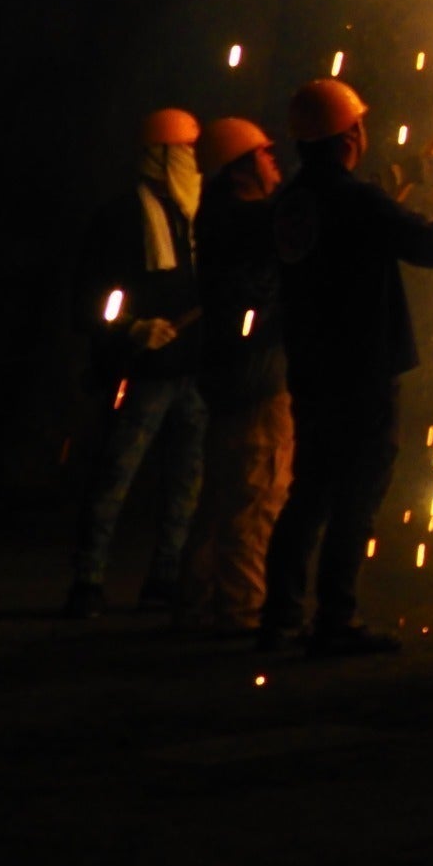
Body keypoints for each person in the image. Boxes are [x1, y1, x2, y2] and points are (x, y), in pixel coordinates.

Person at [257, 78, 433, 656]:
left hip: (312, 367)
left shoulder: (293, 202)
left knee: (310, 491)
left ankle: (280, 617)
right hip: (362, 370)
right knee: (356, 494)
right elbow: (429, 246)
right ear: (350, 135)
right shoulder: (355, 200)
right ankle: (335, 619)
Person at [66, 109, 211, 617]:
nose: (194, 163)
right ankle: (88, 580)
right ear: (162, 156)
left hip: (193, 369)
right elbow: (89, 298)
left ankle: (164, 578)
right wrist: (131, 327)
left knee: (186, 481)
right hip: (142, 372)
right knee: (114, 476)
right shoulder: (121, 216)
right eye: (186, 152)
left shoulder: (197, 217)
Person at [179, 118, 294, 632]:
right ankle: (242, 610)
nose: (275, 162)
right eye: (265, 154)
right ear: (242, 167)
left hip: (229, 377)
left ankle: (197, 601)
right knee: (255, 496)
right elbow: (302, 217)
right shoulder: (246, 220)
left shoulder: (220, 218)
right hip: (256, 379)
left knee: (221, 496)